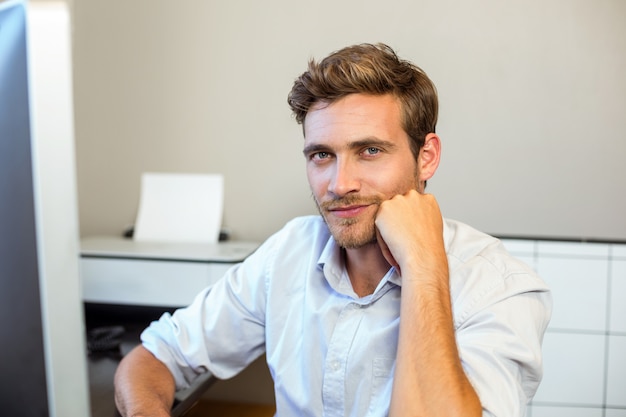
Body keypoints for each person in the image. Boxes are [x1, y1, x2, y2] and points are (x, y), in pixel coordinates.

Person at [114, 43, 552, 417]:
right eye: (321, 155)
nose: (340, 184)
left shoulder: (498, 288)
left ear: (427, 157)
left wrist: (423, 264)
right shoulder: (289, 252)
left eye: (370, 150)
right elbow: (154, 357)